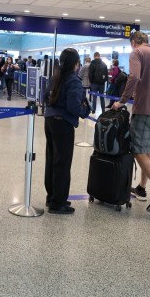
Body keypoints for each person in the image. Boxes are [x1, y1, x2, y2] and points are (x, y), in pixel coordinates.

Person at [112, 31, 150, 212]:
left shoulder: (137, 53)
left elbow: (135, 77)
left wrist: (122, 100)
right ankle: (141, 188)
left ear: (133, 43)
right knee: (146, 150)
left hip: (146, 108)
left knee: (138, 149)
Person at [43, 48, 91, 214]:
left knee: (51, 159)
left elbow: (45, 97)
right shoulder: (74, 81)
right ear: (76, 63)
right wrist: (86, 111)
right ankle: (58, 203)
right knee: (62, 163)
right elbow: (73, 107)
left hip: (49, 121)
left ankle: (52, 197)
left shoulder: (54, 77)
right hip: (63, 124)